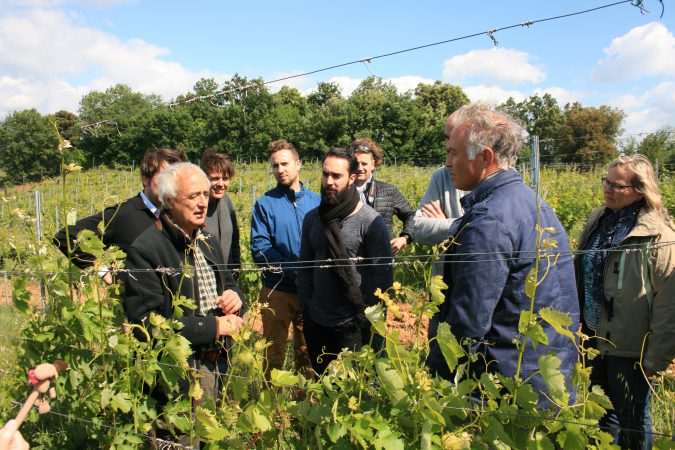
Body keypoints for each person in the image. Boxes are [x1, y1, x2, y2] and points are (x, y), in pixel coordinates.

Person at [425, 103, 580, 407]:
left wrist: (437, 380)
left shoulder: (490, 220)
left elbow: (469, 322)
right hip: (542, 373)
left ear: (485, 158)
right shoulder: (530, 201)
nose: (447, 163)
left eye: (454, 153)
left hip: (502, 385)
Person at [123, 162, 244, 408]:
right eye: (193, 196)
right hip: (179, 373)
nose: (202, 203)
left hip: (217, 363)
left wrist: (236, 297)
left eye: (205, 194)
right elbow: (145, 323)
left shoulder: (207, 240)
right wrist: (214, 327)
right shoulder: (146, 250)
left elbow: (230, 283)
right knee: (182, 441)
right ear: (169, 201)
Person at [576, 155, 674, 449]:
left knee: (632, 419)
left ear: (639, 190)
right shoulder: (598, 220)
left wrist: (655, 359)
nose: (607, 189)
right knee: (602, 415)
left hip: (631, 348)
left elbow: (669, 306)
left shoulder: (658, 237)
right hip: (593, 338)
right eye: (606, 181)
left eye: (616, 185)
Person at [297, 148, 393, 374]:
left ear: (351, 178)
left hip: (353, 326)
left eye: (336, 176)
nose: (329, 181)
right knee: (324, 387)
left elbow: (383, 279)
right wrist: (308, 309)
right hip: (317, 323)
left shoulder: (370, 222)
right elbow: (304, 269)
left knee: (353, 395)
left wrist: (364, 318)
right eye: (325, 174)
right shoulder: (313, 219)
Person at [53, 147, 185, 284]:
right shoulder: (123, 213)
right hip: (135, 302)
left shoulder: (172, 215)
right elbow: (65, 236)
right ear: (145, 179)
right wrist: (102, 270)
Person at [250, 139, 320, 377]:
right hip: (277, 289)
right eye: (275, 165)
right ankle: (272, 405)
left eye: (285, 164)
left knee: (308, 350)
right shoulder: (265, 204)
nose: (280, 170)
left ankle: (306, 402)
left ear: (298, 164)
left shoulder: (316, 202)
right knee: (273, 352)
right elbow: (260, 248)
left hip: (311, 291)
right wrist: (292, 270)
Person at [350, 138, 415, 255]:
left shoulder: (389, 191)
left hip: (381, 260)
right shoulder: (341, 192)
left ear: (373, 165)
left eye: (364, 163)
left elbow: (412, 215)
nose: (359, 168)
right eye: (355, 163)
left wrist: (405, 238)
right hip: (350, 260)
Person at [201, 148, 241, 274]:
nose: (221, 183)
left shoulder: (227, 202)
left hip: (227, 277)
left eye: (225, 178)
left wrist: (236, 269)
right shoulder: (196, 206)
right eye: (215, 178)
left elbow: (234, 241)